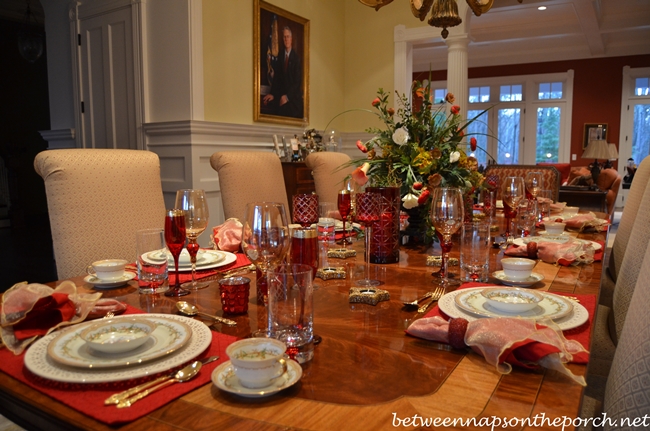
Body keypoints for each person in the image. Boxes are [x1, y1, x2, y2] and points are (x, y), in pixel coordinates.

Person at [263, 26, 303, 119]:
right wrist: (272, 94)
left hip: (293, 100)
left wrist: (287, 97)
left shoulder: (296, 59)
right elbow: (277, 78)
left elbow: (297, 83)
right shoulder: (280, 56)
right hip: (281, 97)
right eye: (284, 37)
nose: (286, 39)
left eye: (288, 36)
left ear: (291, 39)